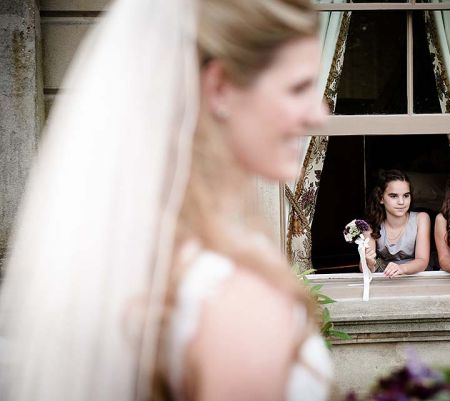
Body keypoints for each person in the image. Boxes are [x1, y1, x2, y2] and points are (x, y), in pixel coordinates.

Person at [0, 1, 332, 400]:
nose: (319, 113)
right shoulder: (237, 304)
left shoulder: (138, 256)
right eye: (298, 87)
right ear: (220, 87)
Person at [364, 170, 430, 277]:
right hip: (385, 278)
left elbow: (422, 261)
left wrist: (401, 268)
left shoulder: (421, 218)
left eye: (406, 195)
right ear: (381, 198)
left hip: (415, 277)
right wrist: (369, 263)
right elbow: (365, 268)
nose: (401, 202)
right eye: (394, 196)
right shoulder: (370, 225)